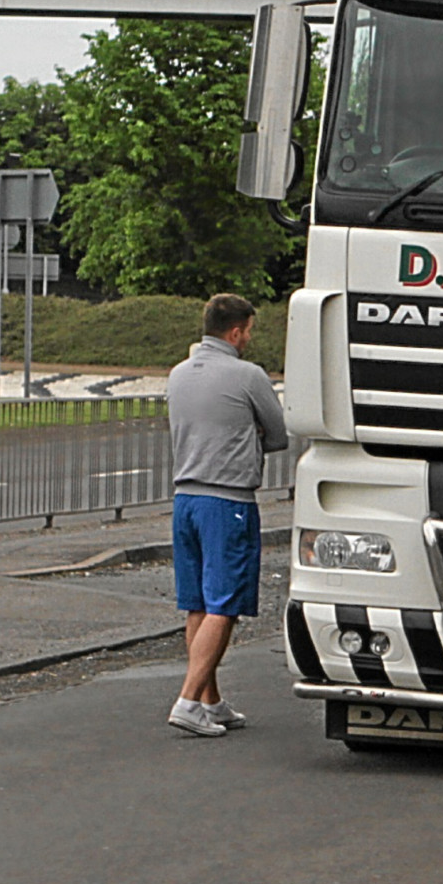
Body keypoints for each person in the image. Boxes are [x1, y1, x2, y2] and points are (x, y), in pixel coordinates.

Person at [164, 292, 289, 738]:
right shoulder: (247, 375)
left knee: (197, 601)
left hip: (185, 499)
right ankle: (186, 700)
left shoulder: (178, 375)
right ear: (236, 332)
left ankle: (209, 700)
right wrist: (249, 432)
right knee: (225, 604)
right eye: (249, 331)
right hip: (228, 500)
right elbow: (278, 434)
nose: (250, 339)